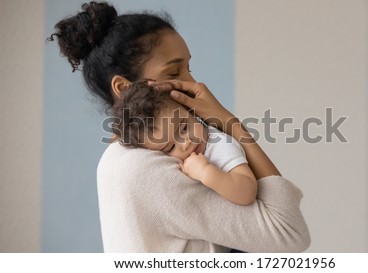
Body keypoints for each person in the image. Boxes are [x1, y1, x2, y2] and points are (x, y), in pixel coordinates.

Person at [49, 1, 311, 252]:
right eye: (174, 73)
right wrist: (229, 123)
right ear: (124, 88)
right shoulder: (148, 169)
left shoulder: (128, 157)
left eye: (189, 68)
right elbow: (289, 232)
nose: (196, 84)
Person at [112, 80, 257, 206]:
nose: (185, 143)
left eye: (184, 127)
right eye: (171, 147)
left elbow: (247, 191)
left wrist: (206, 172)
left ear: (192, 111)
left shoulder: (220, 145)